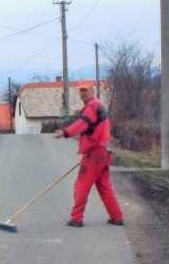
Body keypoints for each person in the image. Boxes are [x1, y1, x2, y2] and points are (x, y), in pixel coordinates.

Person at [52, 81, 124, 227]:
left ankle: (76, 218)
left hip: (94, 152)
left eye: (85, 90)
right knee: (104, 186)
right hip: (104, 151)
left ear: (91, 90)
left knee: (82, 184)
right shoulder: (99, 104)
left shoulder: (91, 107)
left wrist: (65, 133)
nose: (82, 93)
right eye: (80, 91)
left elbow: (82, 124)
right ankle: (117, 217)